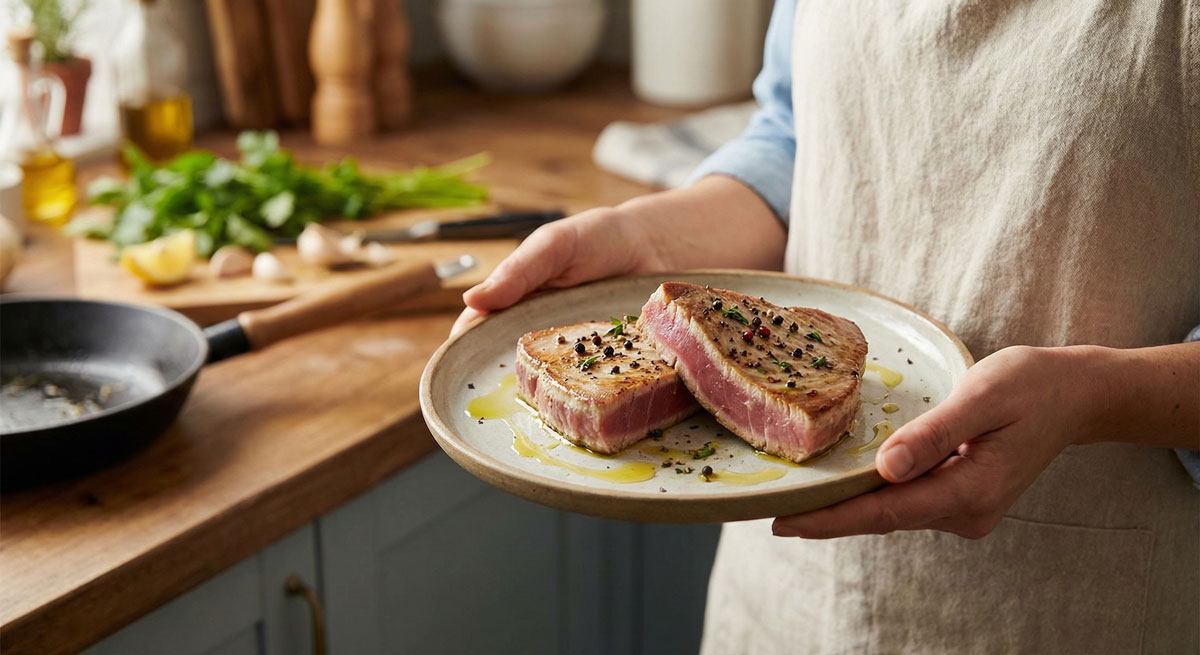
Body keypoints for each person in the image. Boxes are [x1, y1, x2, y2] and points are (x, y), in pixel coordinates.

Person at [453, 1, 1200, 652]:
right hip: (784, 584)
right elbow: (797, 140)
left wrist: (1095, 396)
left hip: (1072, 591)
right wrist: (647, 238)